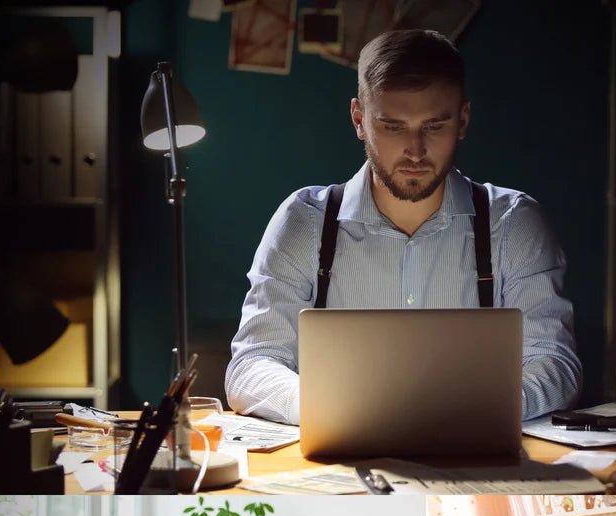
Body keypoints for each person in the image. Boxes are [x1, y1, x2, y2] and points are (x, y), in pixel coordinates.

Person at [225, 28, 581, 426]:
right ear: (359, 120)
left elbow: (554, 363)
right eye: (393, 126)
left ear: (462, 119)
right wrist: (334, 410)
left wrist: (470, 411)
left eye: (434, 125)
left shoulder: (514, 223)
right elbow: (252, 365)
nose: (415, 149)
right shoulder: (305, 221)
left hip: (471, 463)